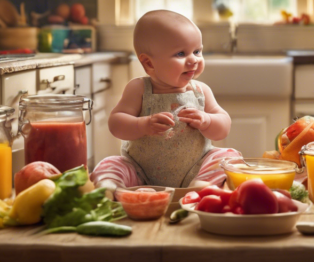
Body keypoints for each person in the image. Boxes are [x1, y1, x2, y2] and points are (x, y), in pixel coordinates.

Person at [91, 10, 241, 193]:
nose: (193, 59)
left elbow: (223, 127)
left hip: (196, 169)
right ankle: (111, 189)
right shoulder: (138, 88)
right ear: (149, 64)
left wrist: (207, 120)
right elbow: (116, 123)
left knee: (229, 157)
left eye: (197, 51)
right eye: (180, 53)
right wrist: (142, 124)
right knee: (110, 163)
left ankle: (200, 188)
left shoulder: (201, 91)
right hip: (140, 173)